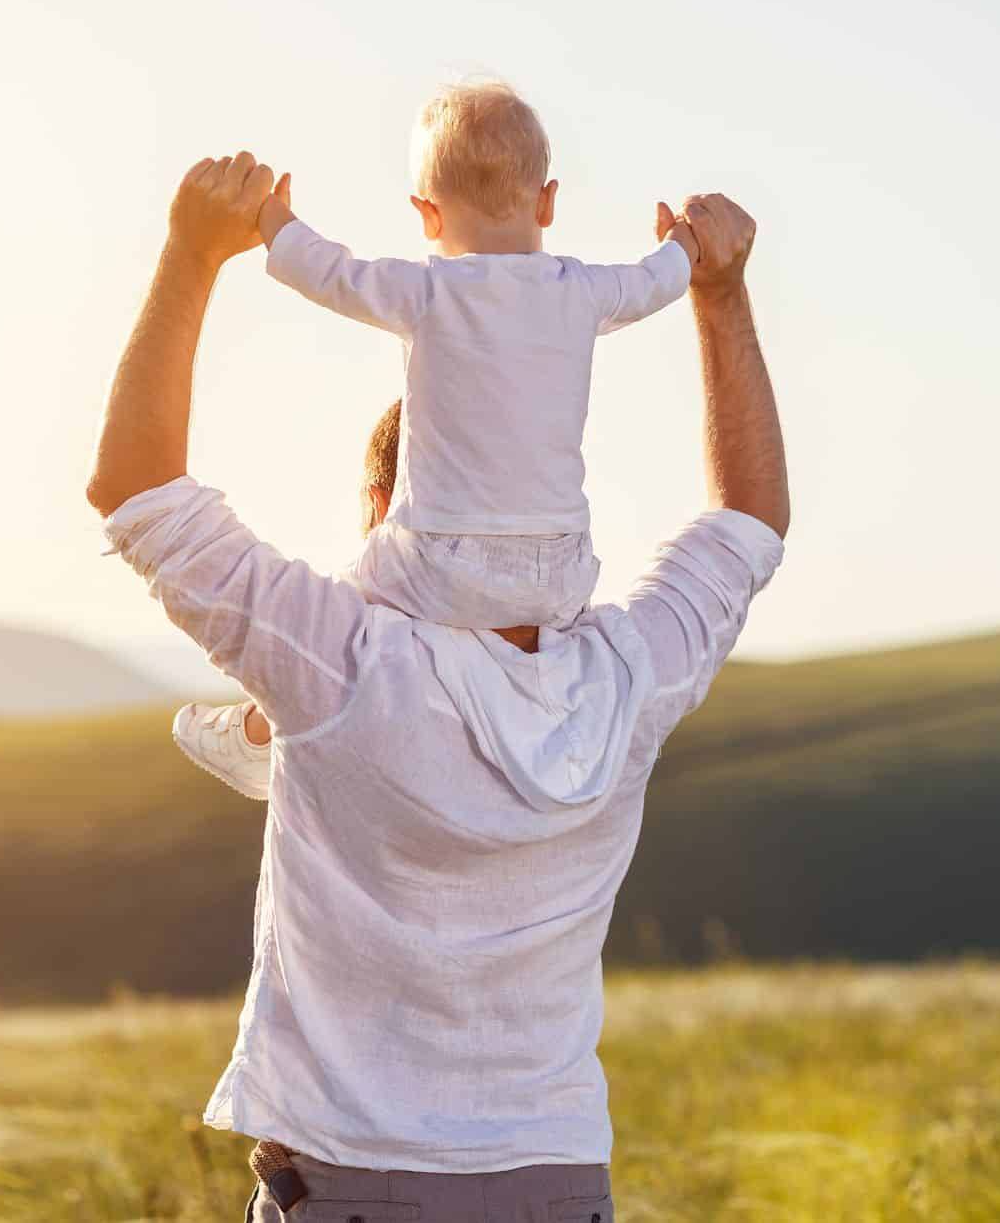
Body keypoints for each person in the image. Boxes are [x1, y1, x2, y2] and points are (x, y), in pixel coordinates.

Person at [86, 151, 788, 1220]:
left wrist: (192, 252)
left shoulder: (337, 663)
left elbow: (136, 488)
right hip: (558, 1180)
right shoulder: (626, 677)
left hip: (353, 1186)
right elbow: (747, 523)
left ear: (389, 508)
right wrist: (720, 293)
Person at [173, 80, 698, 791]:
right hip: (561, 570)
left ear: (426, 214)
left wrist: (274, 219)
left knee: (332, 623)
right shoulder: (586, 291)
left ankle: (256, 733)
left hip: (438, 562)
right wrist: (682, 241)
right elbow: (659, 280)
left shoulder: (425, 292)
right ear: (547, 202)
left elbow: (329, 272)